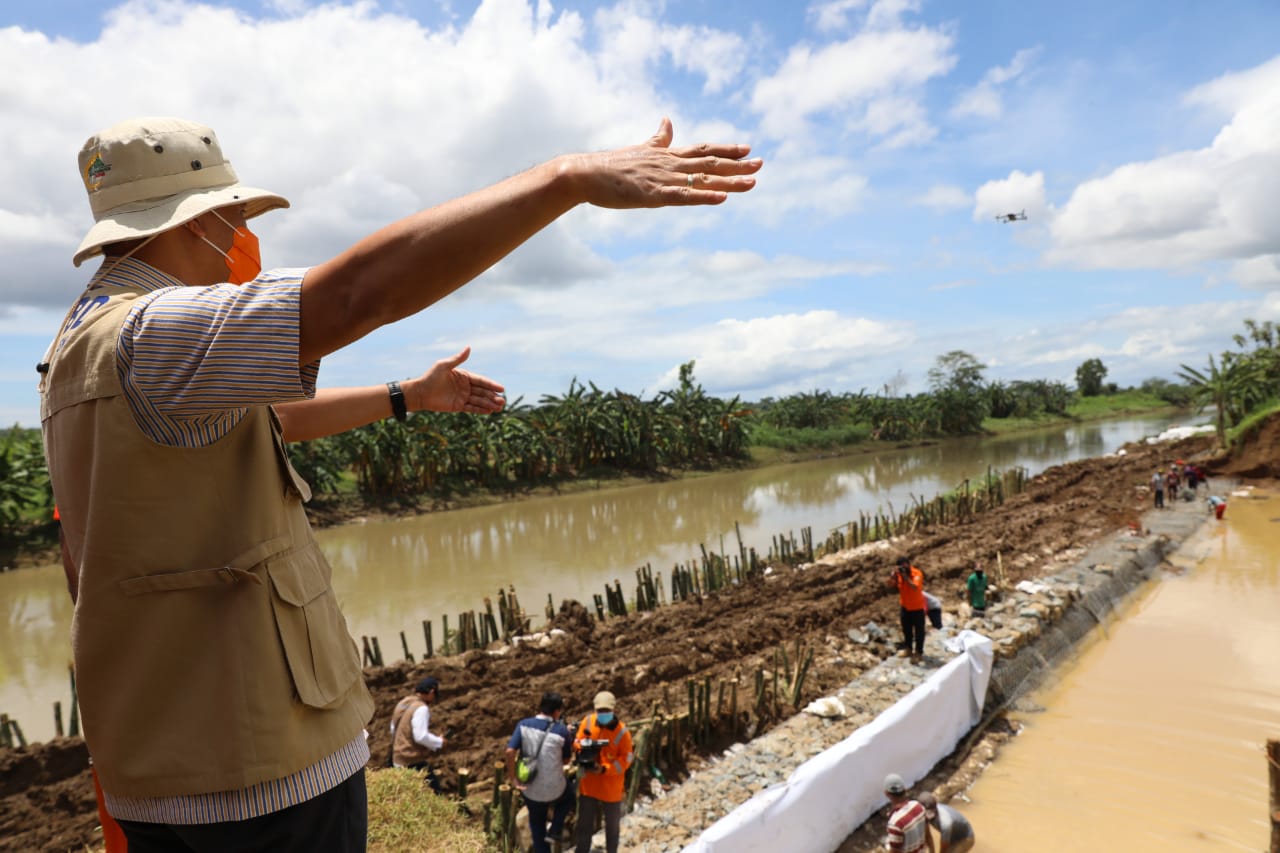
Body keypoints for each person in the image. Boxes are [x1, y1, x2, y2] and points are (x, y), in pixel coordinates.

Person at [39, 116, 759, 851]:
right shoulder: (153, 331)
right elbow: (355, 295)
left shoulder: (82, 342)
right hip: (251, 772)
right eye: (236, 216)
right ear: (199, 223)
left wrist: (406, 395)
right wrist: (564, 179)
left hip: (174, 752)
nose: (244, 234)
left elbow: (274, 414)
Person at [506, 692, 574, 853]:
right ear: (557, 711)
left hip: (531, 790)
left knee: (537, 827)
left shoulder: (523, 725)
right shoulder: (561, 731)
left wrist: (513, 779)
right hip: (554, 789)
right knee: (569, 797)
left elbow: (510, 751)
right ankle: (555, 829)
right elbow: (566, 760)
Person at [574, 691, 634, 853]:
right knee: (584, 826)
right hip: (589, 786)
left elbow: (626, 760)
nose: (603, 714)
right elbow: (577, 741)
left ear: (614, 710)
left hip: (611, 788)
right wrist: (583, 748)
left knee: (612, 829)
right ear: (594, 709)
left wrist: (605, 769)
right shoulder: (587, 722)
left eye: (606, 711)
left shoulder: (622, 732)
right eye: (600, 711)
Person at [389, 676, 447, 792]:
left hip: (396, 758)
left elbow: (392, 728)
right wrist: (439, 742)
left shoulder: (404, 702)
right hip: (410, 761)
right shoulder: (421, 708)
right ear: (431, 692)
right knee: (436, 792)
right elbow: (420, 736)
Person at [887, 556, 928, 659]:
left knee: (919, 631)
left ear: (909, 564)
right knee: (906, 630)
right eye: (901, 566)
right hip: (905, 607)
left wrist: (905, 576)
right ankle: (908, 649)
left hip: (917, 607)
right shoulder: (899, 575)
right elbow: (890, 585)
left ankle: (919, 652)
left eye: (905, 565)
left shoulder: (917, 573)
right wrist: (893, 575)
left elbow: (915, 587)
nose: (903, 568)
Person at [882, 773, 934, 853]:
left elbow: (895, 851)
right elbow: (928, 836)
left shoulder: (895, 823)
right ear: (905, 789)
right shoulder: (918, 806)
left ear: (887, 794)